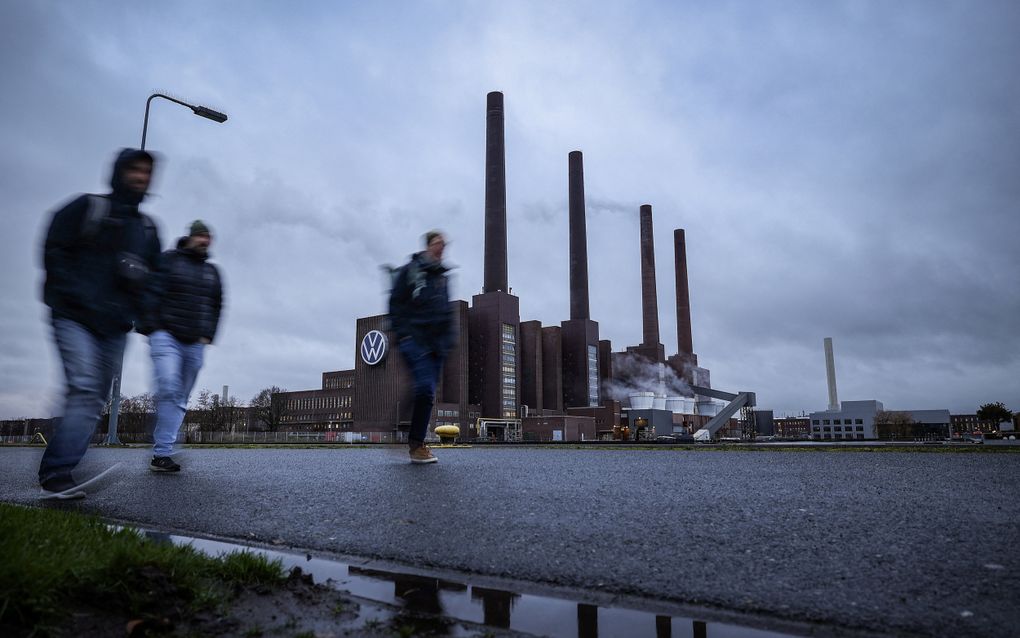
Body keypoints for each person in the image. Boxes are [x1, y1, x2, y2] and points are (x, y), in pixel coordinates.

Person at [38, 148, 162, 498]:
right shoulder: (87, 207)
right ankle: (57, 473)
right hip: (73, 316)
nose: (140, 177)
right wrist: (71, 293)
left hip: (113, 326)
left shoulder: (148, 230)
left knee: (94, 400)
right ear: (120, 172)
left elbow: (155, 280)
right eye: (135, 170)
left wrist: (146, 314)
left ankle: (60, 462)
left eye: (147, 172)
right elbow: (53, 249)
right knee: (84, 387)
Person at [140, 220, 223, 472]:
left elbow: (217, 305)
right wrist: (151, 325)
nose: (205, 241)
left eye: (209, 237)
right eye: (201, 236)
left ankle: (161, 455)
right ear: (190, 237)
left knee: (179, 399)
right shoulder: (169, 260)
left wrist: (207, 336)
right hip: (166, 335)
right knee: (168, 385)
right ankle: (162, 444)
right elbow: (149, 291)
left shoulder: (212, 272)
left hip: (195, 342)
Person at [388, 231, 456, 464]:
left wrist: (449, 340)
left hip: (436, 345)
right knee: (425, 388)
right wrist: (403, 333)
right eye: (438, 244)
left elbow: (447, 311)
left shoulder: (442, 277)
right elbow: (395, 302)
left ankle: (407, 431)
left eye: (444, 245)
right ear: (428, 246)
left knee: (425, 394)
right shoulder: (411, 271)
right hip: (414, 339)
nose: (442, 248)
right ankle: (416, 444)